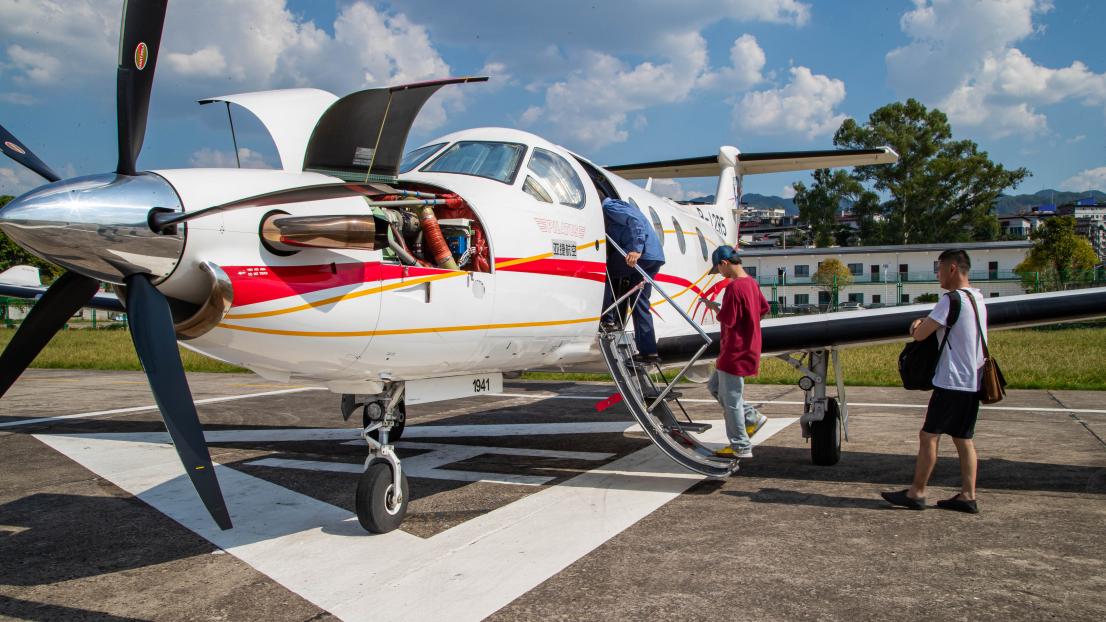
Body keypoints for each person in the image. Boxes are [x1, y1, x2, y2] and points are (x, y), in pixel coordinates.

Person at [882, 249, 988, 514]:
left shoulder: (951, 301)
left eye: (939, 268)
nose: (937, 274)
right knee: (964, 439)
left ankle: (917, 492)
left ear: (952, 268)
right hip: (973, 381)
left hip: (951, 382)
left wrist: (915, 324)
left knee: (929, 435)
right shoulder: (977, 298)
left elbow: (920, 334)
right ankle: (968, 495)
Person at [706, 245, 770, 459]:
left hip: (734, 351)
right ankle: (752, 417)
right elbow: (763, 309)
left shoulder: (733, 288)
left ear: (724, 264)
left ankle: (741, 446)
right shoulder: (751, 283)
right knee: (714, 386)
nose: (720, 275)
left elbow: (729, 320)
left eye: (719, 270)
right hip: (746, 347)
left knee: (731, 401)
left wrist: (717, 309)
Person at [600, 197, 666, 362]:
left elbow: (635, 221)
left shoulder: (609, 207)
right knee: (639, 303)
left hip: (641, 256)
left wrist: (636, 249)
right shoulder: (617, 209)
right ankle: (648, 352)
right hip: (653, 257)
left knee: (603, 271)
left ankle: (608, 320)